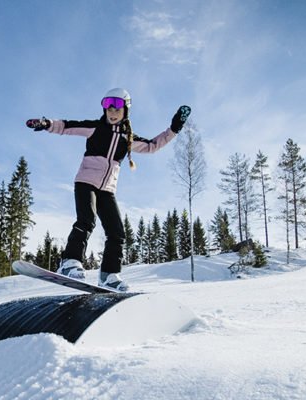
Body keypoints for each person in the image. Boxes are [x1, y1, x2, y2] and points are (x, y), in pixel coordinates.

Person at [26, 88, 191, 291]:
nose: (112, 113)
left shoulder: (127, 138)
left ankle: (109, 275)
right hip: (86, 182)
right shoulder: (95, 127)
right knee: (86, 220)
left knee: (117, 233)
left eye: (117, 109)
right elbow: (67, 126)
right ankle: (69, 261)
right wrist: (46, 124)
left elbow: (152, 146)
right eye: (108, 109)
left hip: (108, 190)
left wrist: (174, 128)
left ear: (126, 111)